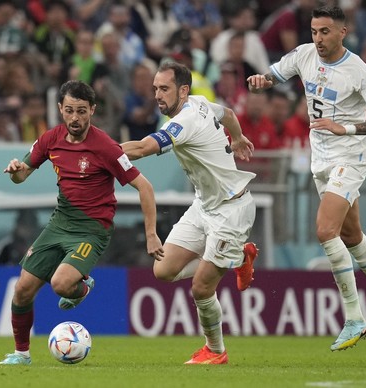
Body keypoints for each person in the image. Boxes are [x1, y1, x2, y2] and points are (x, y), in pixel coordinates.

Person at [247, 6, 366, 352]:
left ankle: (353, 317)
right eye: (314, 31)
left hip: (350, 156)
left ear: (342, 33)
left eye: (324, 32)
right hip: (320, 159)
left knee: (325, 231)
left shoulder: (359, 72)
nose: (318, 39)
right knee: (351, 235)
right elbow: (275, 74)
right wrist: (262, 82)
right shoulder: (305, 54)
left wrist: (346, 127)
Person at [0, 80, 164, 365]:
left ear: (92, 111)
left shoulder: (106, 147)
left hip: (92, 229)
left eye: (82, 111)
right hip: (59, 223)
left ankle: (83, 287)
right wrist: (15, 170)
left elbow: (145, 187)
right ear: (61, 109)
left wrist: (151, 234)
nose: (75, 118)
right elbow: (22, 174)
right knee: (23, 288)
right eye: (70, 110)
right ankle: (21, 354)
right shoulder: (50, 139)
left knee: (61, 285)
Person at [121, 61, 259, 365]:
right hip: (204, 206)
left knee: (201, 288)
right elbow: (230, 115)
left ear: (183, 90)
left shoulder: (184, 121)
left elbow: (143, 149)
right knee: (163, 271)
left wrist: (100, 151)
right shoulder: (198, 103)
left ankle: (215, 350)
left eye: (164, 89)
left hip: (231, 210)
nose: (157, 94)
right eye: (155, 88)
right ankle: (236, 257)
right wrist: (236, 137)